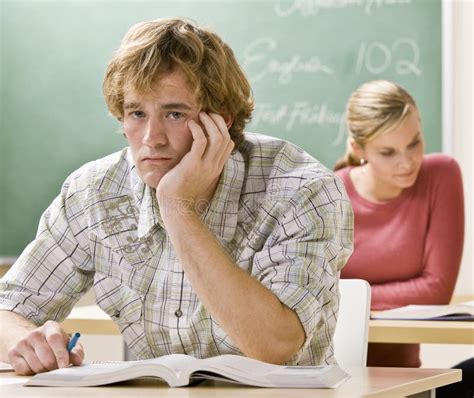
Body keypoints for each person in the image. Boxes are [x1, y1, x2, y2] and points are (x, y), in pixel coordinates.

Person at [0, 18, 353, 375]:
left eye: (174, 113)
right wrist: (25, 341)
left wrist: (178, 208)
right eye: (137, 113)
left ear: (221, 121)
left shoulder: (302, 190)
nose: (152, 138)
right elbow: (8, 308)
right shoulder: (93, 192)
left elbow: (273, 346)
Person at [334, 80, 464, 368]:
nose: (407, 162)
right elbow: (317, 294)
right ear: (359, 148)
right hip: (332, 378)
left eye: (414, 143)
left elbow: (437, 291)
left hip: (405, 379)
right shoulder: (331, 192)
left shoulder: (442, 175)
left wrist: (353, 295)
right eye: (388, 152)